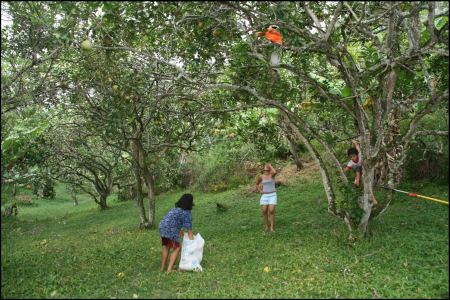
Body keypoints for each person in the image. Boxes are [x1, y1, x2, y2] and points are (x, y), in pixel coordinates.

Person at [158, 193, 194, 273]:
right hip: (171, 229)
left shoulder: (175, 209)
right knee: (177, 248)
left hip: (162, 226)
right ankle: (169, 270)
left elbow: (175, 220)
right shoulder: (187, 213)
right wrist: (193, 244)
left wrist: (180, 230)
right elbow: (189, 231)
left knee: (166, 247)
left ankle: (162, 268)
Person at [344, 140, 378, 205]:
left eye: (353, 156)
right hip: (359, 174)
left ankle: (358, 181)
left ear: (356, 155)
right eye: (351, 157)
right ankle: (358, 184)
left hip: (365, 170)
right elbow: (347, 168)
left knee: (358, 168)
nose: (352, 158)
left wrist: (354, 143)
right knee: (358, 185)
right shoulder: (351, 162)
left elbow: (357, 147)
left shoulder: (360, 155)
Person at [255, 163, 278, 232]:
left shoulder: (272, 175)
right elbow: (256, 184)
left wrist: (270, 165)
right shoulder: (261, 176)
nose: (266, 171)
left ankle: (272, 227)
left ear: (269, 170)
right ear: (263, 170)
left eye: (268, 170)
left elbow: (275, 172)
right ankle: (266, 226)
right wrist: (260, 191)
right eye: (265, 170)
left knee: (271, 211)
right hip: (264, 196)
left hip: (272, 195)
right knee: (264, 211)